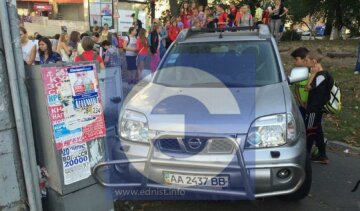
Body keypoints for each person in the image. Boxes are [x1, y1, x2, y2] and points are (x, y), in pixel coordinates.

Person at [304, 49, 333, 164]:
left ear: (314, 61)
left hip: (314, 109)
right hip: (316, 107)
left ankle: (306, 155)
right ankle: (322, 155)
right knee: (317, 131)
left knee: (310, 131)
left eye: (307, 60)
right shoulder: (324, 74)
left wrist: (313, 73)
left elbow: (307, 87)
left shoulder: (321, 75)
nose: (306, 63)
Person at [291, 47, 310, 121]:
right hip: (301, 105)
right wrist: (300, 101)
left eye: (296, 59)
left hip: (311, 105)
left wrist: (308, 102)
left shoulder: (312, 72)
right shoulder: (297, 73)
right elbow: (296, 88)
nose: (294, 62)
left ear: (304, 59)